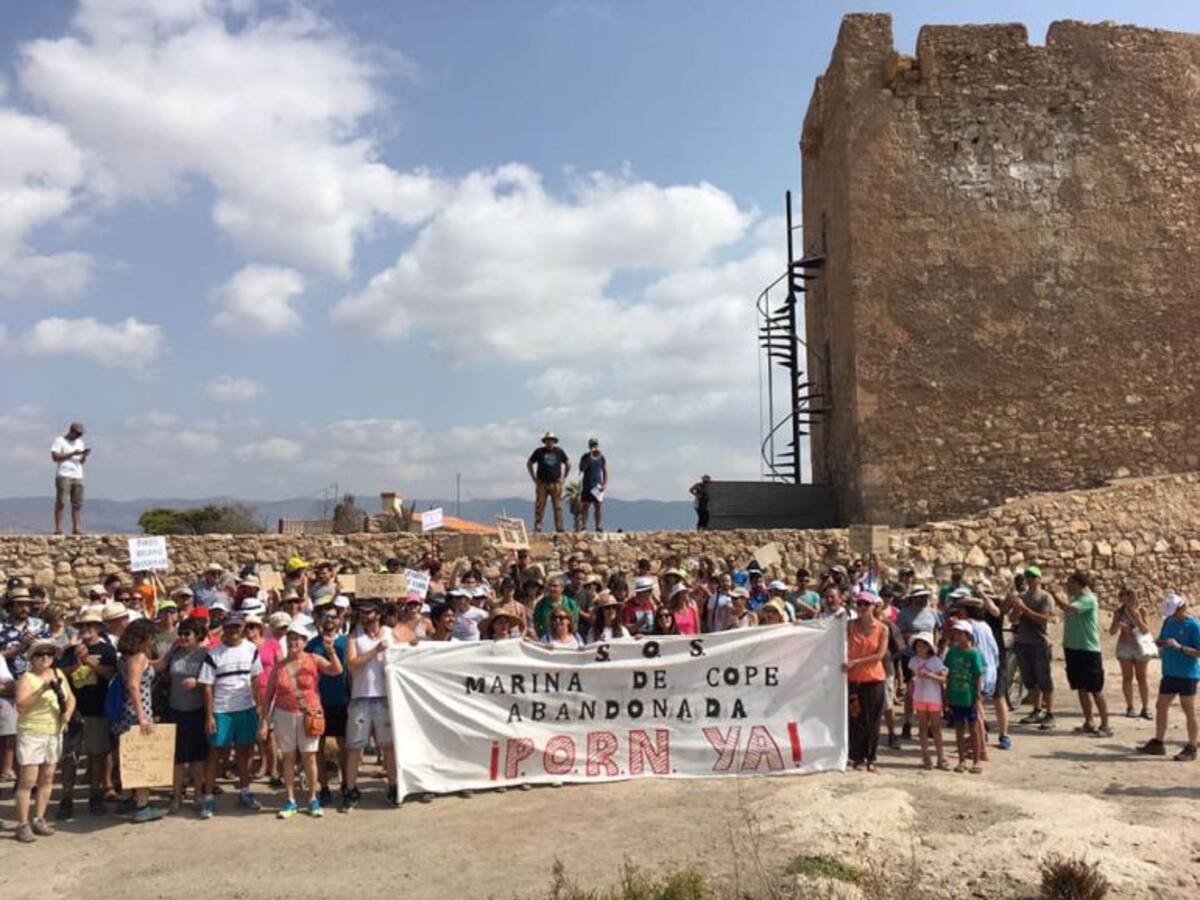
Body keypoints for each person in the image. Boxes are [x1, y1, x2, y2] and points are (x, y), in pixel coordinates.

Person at [261, 619, 343, 818]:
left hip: (308, 714)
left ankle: (313, 797)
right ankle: (290, 799)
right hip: (284, 714)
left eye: (297, 639)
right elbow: (268, 695)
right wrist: (264, 721)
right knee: (288, 757)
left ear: (305, 642)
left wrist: (331, 651)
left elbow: (336, 670)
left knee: (310, 756)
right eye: (290, 639)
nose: (293, 643)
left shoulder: (314, 659)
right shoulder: (279, 667)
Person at [198, 611, 263, 818]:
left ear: (242, 628)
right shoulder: (214, 653)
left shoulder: (251, 649)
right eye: (229, 627)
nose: (233, 631)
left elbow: (255, 680)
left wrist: (259, 707)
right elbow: (207, 687)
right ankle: (207, 798)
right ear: (223, 629)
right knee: (214, 754)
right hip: (222, 710)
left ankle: (245, 791)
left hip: (246, 708)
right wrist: (209, 717)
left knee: (245, 753)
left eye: (237, 627)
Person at [13, 639, 75, 843]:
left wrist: (68, 713)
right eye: (40, 655)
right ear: (32, 658)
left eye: (49, 655)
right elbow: (21, 706)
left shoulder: (58, 674)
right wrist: (41, 691)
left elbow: (71, 698)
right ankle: (22, 824)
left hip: (53, 731)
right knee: (28, 781)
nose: (45, 658)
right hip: (32, 732)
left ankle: (39, 818)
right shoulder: (27, 678)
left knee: (47, 778)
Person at [59, 607, 118, 817]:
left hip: (97, 710)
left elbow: (110, 673)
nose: (85, 628)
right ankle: (66, 799)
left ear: (98, 629)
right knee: (69, 757)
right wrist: (76, 663)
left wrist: (88, 661)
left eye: (89, 625)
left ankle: (95, 796)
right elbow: (59, 675)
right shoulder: (69, 651)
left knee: (97, 756)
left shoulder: (107, 650)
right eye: (82, 625)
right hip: (73, 712)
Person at [343, 600, 400, 811]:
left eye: (369, 612)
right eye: (362, 612)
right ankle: (350, 789)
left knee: (388, 746)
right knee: (355, 746)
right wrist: (375, 651)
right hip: (361, 697)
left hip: (385, 695)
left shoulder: (389, 632)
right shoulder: (354, 636)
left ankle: (393, 786)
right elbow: (352, 664)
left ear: (378, 614)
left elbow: (409, 648)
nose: (365, 616)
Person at [112, 619, 169, 822]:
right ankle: (142, 804)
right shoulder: (138, 657)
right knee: (142, 760)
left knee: (128, 758)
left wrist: (170, 652)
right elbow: (134, 686)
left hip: (125, 714)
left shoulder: (126, 656)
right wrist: (142, 716)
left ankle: (127, 799)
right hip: (137, 713)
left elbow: (156, 665)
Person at [1138, 593, 1200, 761]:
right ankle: (1158, 742)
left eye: (1174, 612)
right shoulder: (1168, 622)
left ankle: (1192, 747)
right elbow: (1162, 639)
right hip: (1169, 673)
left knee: (1189, 710)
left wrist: (1179, 647)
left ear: (1182, 608)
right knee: (1161, 705)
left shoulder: (1194, 626)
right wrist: (1157, 644)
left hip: (1187, 674)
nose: (1172, 616)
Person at [1052, 570, 1111, 738]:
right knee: (1081, 687)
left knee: (1095, 689)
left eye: (1070, 584)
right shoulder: (1075, 598)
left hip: (1088, 650)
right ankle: (1089, 721)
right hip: (1073, 648)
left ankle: (1105, 724)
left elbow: (1068, 609)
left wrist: (1054, 596)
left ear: (1079, 584)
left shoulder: (1088, 599)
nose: (1067, 587)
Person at [305, 600, 349, 806]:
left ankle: (346, 784)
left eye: (333, 616)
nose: (329, 620)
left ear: (339, 619)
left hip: (343, 699)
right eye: (325, 616)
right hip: (319, 702)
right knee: (318, 747)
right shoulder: (311, 644)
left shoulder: (347, 642)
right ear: (318, 620)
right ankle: (323, 787)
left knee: (344, 745)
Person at [163, 618, 208, 814]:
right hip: (175, 710)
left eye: (187, 634)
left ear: (198, 636)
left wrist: (197, 683)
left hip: (197, 710)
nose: (182, 637)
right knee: (178, 758)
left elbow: (213, 681)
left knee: (197, 757)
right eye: (180, 633)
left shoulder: (205, 655)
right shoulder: (174, 653)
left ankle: (198, 794)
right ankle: (176, 796)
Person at [1007, 566, 1056, 730]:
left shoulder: (1045, 597)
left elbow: (1044, 619)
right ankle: (1036, 710)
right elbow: (1013, 618)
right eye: (1028, 576)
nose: (1030, 579)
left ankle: (1049, 713)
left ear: (1039, 579)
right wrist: (1015, 609)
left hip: (1040, 643)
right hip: (1023, 643)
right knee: (1030, 680)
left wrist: (1024, 609)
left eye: (1034, 577)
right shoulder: (1022, 596)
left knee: (1044, 680)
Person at [844, 592, 888, 772]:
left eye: (865, 604)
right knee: (854, 719)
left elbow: (879, 655)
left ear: (873, 606)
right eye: (859, 604)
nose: (861, 607)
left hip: (873, 679)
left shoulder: (882, 628)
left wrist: (855, 662)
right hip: (853, 679)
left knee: (872, 720)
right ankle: (856, 756)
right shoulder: (849, 626)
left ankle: (871, 757)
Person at [945, 620, 985, 773]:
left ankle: (976, 760)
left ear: (967, 635)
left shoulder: (973, 653)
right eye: (955, 632)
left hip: (969, 696)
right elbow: (947, 673)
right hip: (955, 695)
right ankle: (961, 760)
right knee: (959, 728)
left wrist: (977, 696)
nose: (956, 635)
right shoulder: (952, 652)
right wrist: (946, 694)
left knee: (973, 728)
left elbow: (977, 675)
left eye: (959, 633)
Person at [1110, 585, 1154, 720]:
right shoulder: (1119, 612)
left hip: (1140, 646)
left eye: (1125, 596)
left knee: (1142, 678)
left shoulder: (1141, 610)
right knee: (1127, 677)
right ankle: (1130, 706)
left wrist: (1137, 618)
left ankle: (1146, 707)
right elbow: (1112, 632)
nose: (1123, 599)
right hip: (1125, 646)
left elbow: (1146, 630)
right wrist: (1117, 622)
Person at [907, 632, 948, 770]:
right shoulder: (913, 661)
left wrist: (929, 675)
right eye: (918, 645)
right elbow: (913, 678)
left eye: (923, 645)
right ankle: (926, 758)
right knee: (922, 727)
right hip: (919, 697)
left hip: (933, 697)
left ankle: (941, 757)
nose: (919, 648)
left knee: (936, 728)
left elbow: (943, 678)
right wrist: (911, 686)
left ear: (928, 647)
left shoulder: (936, 661)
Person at [527, 431, 570, 534]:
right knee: (539, 505)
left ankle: (559, 527)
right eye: (547, 440)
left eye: (551, 440)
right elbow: (529, 463)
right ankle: (538, 526)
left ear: (554, 441)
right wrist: (533, 478)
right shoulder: (539, 452)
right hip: (542, 483)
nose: (549, 442)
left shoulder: (559, 452)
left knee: (558, 506)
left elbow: (568, 463)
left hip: (556, 483)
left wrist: (564, 478)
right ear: (545, 441)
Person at [50, 422, 89, 535]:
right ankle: (58, 528)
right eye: (77, 434)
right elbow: (55, 457)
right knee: (61, 501)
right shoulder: (59, 441)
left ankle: (76, 528)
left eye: (80, 434)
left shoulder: (80, 443)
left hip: (78, 474)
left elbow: (81, 462)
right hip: (64, 474)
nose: (79, 436)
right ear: (71, 431)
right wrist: (71, 454)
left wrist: (84, 456)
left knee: (77, 503)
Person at [577, 437, 609, 532]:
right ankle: (584, 526)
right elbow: (581, 469)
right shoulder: (585, 457)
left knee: (598, 506)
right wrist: (589, 457)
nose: (593, 447)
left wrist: (605, 483)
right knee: (585, 506)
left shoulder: (601, 457)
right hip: (587, 484)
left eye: (595, 445)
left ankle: (598, 526)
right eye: (592, 445)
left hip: (597, 485)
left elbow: (605, 470)